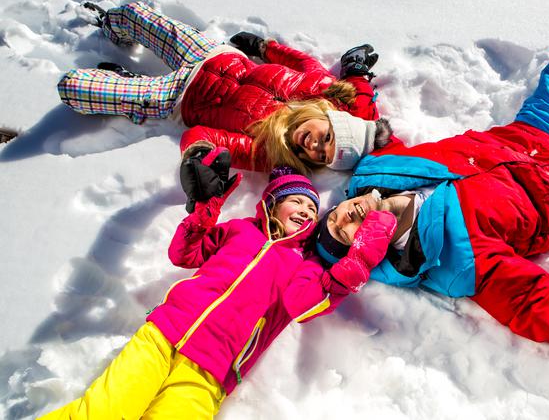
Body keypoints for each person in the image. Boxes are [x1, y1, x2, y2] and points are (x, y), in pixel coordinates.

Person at [314, 0, 549, 386]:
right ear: (367, 251)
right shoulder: (453, 261)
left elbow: (368, 125)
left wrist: (356, 75)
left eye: (336, 215)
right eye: (346, 233)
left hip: (535, 133)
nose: (347, 215)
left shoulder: (377, 172)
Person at [39, 161, 397, 419]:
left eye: (312, 207)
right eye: (297, 201)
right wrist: (204, 212)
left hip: (212, 370)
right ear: (273, 203)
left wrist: (354, 265)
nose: (305, 210)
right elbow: (185, 253)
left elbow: (302, 304)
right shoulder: (241, 230)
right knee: (103, 411)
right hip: (163, 336)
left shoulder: (305, 265)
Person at [57, 1, 391, 173]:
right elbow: (302, 61)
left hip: (178, 98)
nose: (315, 146)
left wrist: (199, 155)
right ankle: (110, 28)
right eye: (327, 139)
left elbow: (204, 137)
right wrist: (263, 47)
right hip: (213, 54)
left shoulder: (269, 152)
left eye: (321, 156)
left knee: (74, 87)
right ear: (332, 119)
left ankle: (128, 85)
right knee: (132, 14)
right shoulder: (321, 85)